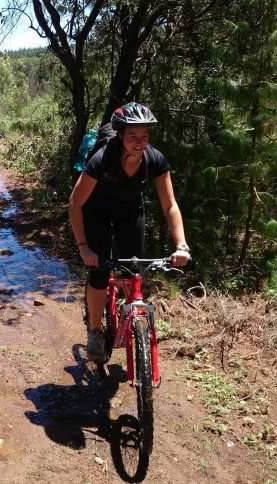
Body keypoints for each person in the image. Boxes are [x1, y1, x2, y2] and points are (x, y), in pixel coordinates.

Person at [68, 102, 190, 363]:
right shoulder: (101, 160)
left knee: (132, 269)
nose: (140, 141)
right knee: (100, 270)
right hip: (96, 211)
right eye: (133, 136)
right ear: (121, 134)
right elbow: (75, 203)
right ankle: (95, 331)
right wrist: (84, 247)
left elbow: (169, 205)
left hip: (130, 211)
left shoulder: (154, 160)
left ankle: (132, 320)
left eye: (144, 135)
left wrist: (181, 245)